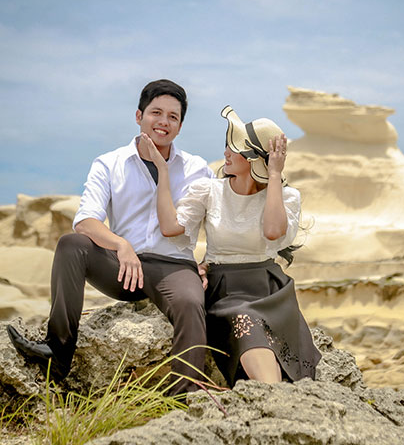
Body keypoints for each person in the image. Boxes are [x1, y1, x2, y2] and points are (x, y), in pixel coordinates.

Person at [7, 79, 215, 395]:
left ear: (180, 126)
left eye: (173, 116)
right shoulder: (109, 163)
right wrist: (121, 244)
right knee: (71, 244)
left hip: (174, 266)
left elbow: (217, 222)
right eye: (156, 112)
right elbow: (85, 221)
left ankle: (184, 394)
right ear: (139, 116)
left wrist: (207, 262)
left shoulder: (197, 168)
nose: (163, 121)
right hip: (123, 268)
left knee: (189, 302)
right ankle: (57, 351)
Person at [140, 105, 321, 387]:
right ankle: (275, 396)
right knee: (244, 320)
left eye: (233, 147)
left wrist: (274, 175)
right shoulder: (209, 191)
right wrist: (162, 171)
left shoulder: (286, 197)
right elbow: (171, 227)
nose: (225, 152)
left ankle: (277, 397)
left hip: (269, 288)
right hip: (225, 289)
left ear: (254, 158)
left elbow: (273, 232)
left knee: (266, 339)